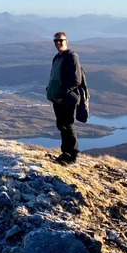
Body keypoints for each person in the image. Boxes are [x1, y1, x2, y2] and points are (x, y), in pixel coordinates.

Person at [46, 32, 83, 164]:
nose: (58, 43)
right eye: (55, 41)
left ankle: (72, 155)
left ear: (67, 41)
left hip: (66, 98)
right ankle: (65, 153)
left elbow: (76, 79)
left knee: (67, 125)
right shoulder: (57, 57)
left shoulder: (71, 57)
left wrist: (62, 92)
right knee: (61, 125)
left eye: (60, 40)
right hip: (57, 98)